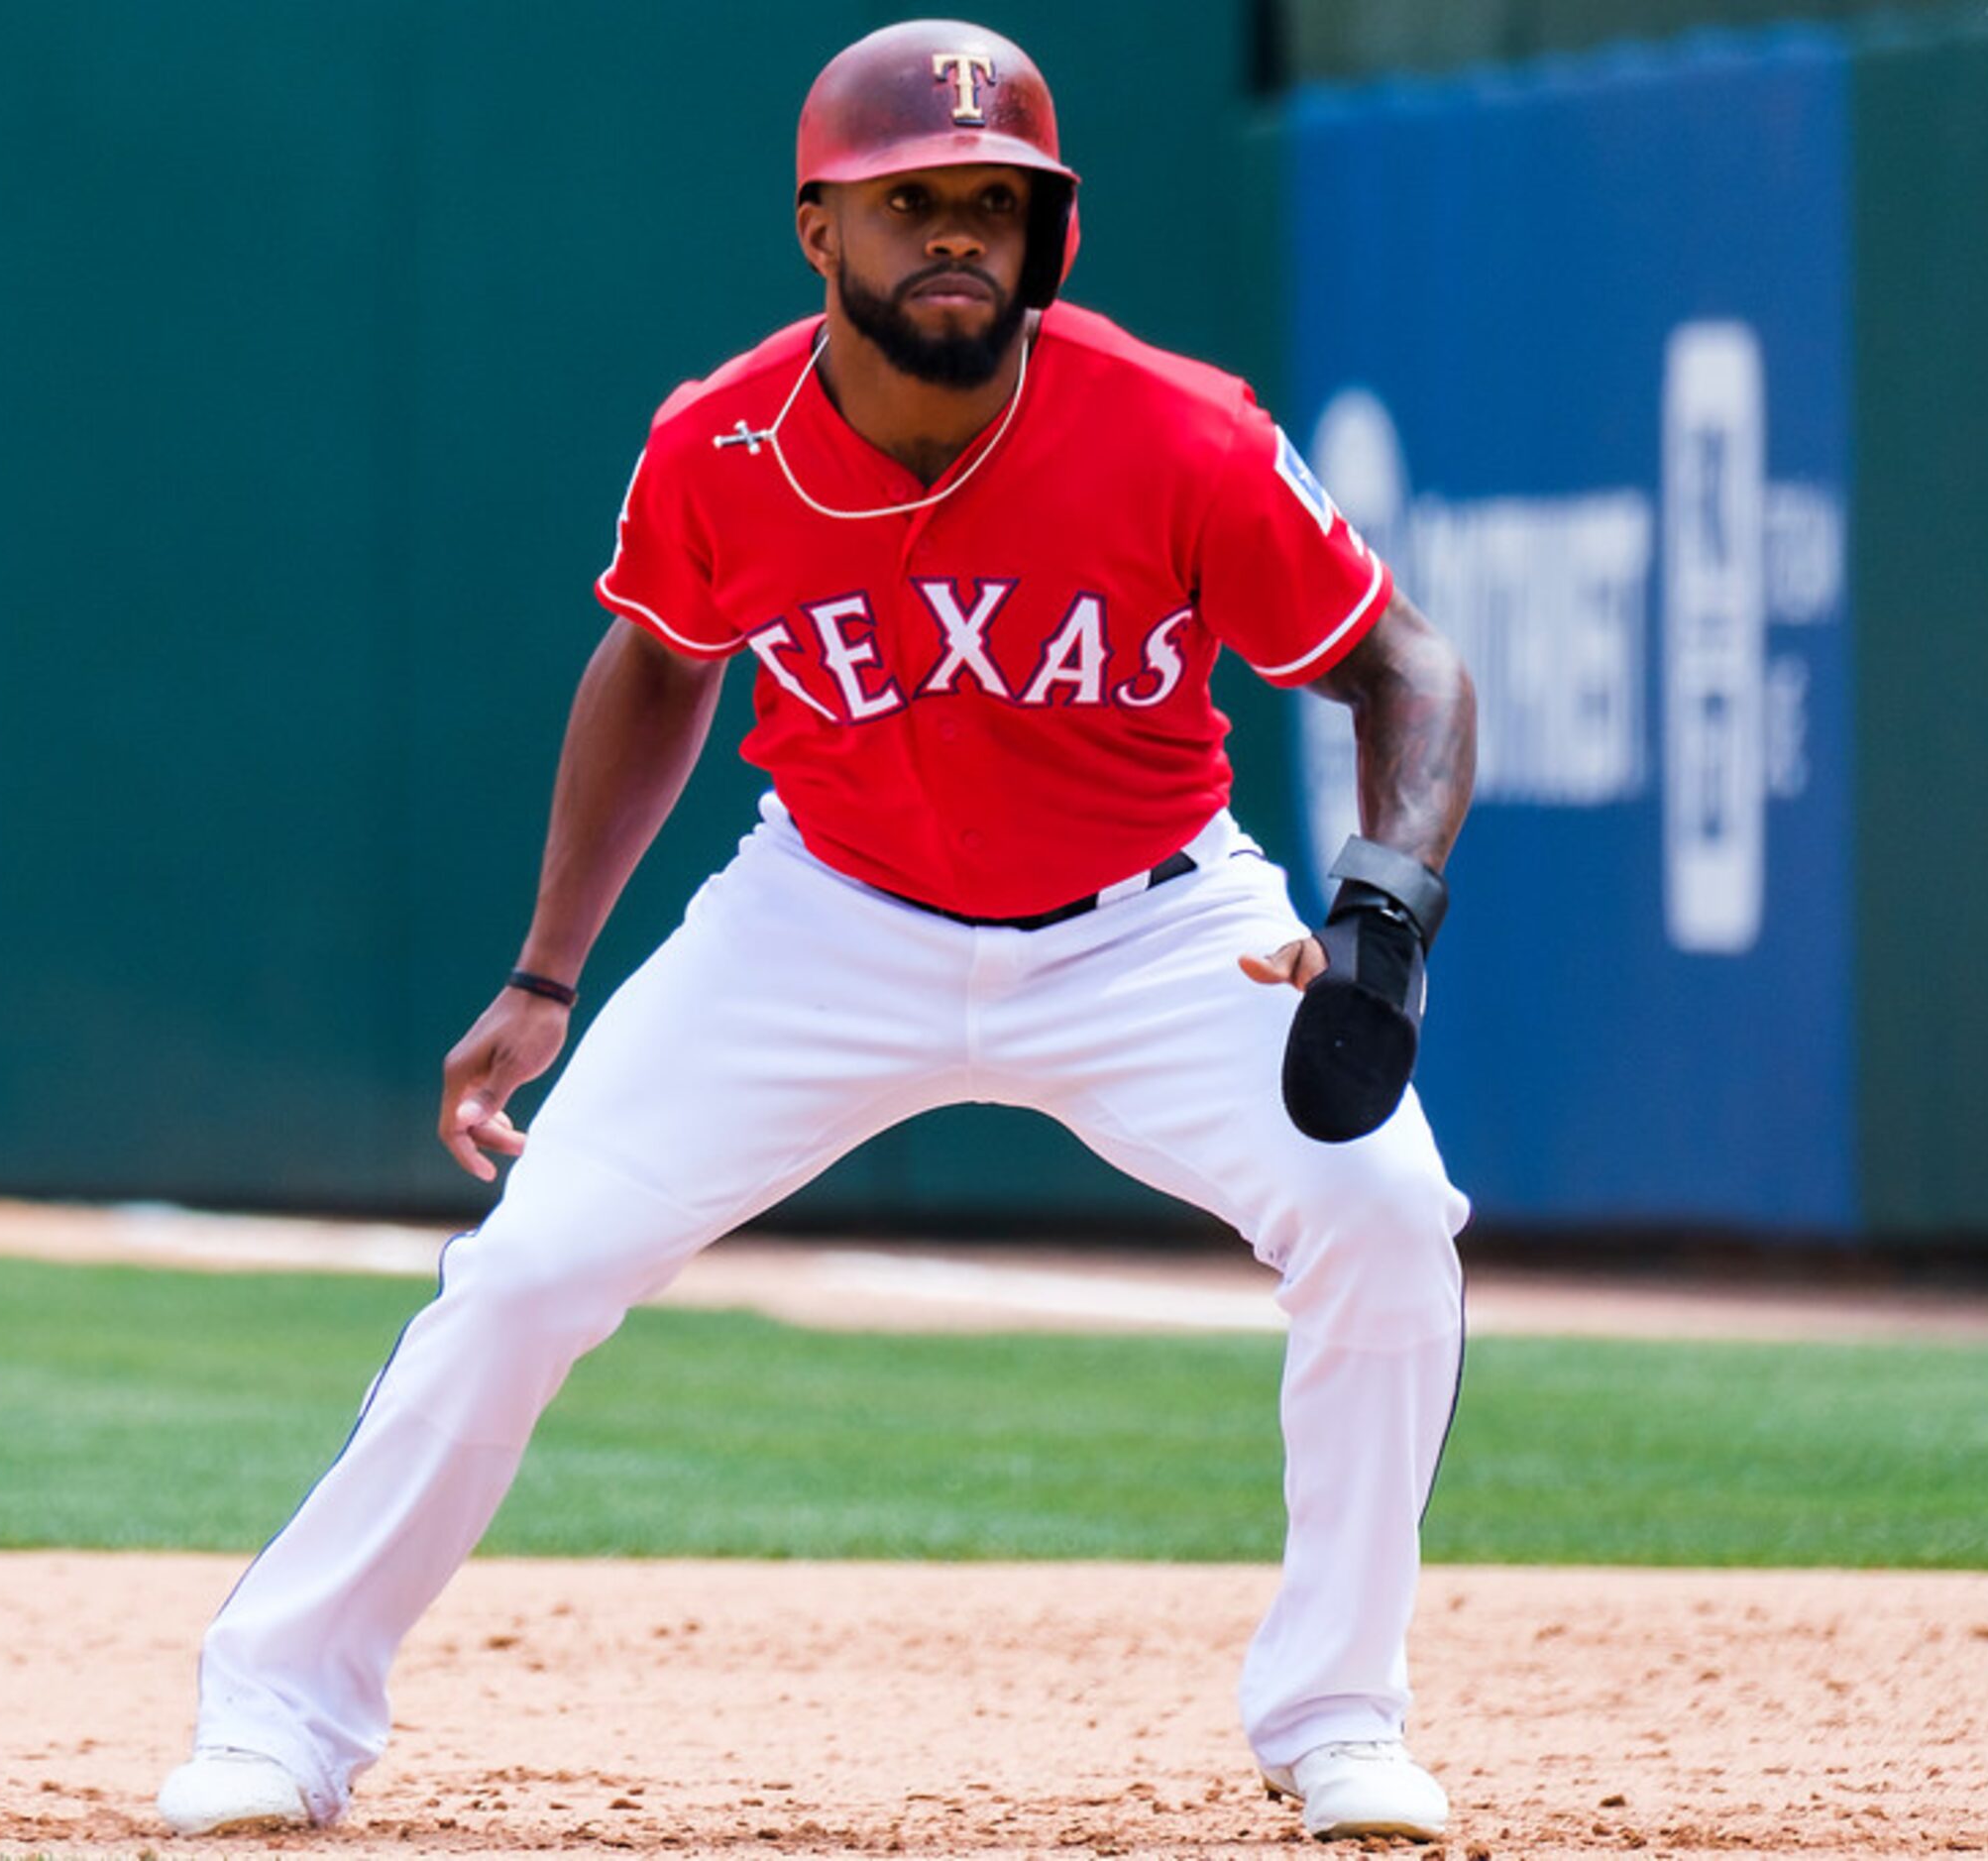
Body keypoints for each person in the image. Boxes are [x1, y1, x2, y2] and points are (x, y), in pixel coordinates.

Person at [156, 16, 1477, 1846]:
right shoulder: (723, 441)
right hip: (823, 920)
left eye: (993, 203)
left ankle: (1338, 1713)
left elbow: (1403, 662)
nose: (956, 234)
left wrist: (1381, 913)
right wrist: (547, 974)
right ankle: (281, 1714)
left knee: (1385, 1218)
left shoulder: (1177, 432)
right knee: (531, 1270)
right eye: (909, 200)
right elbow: (659, 658)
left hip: (1155, 931)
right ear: (819, 230)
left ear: (1048, 234)